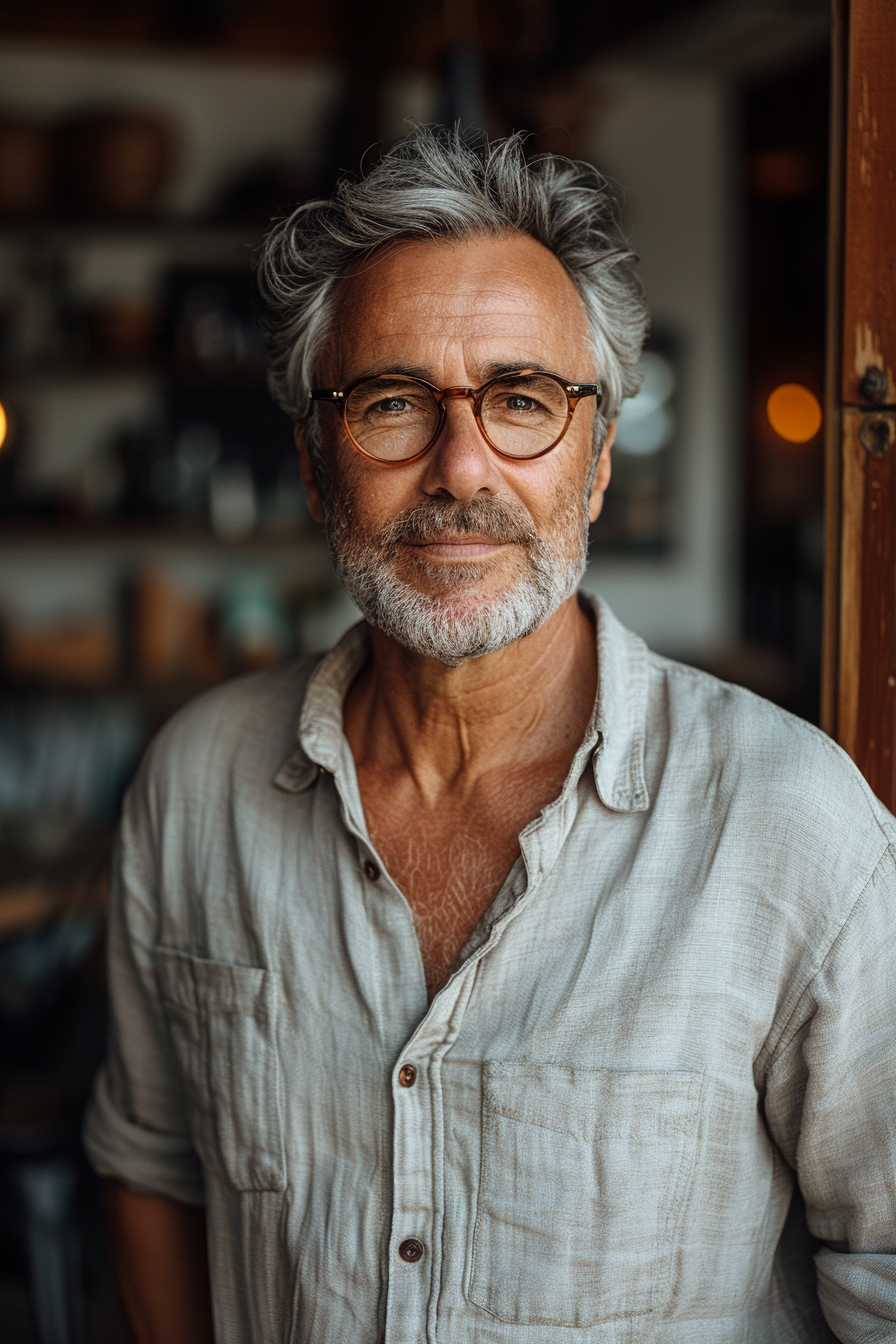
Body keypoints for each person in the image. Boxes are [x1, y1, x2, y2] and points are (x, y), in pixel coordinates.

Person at [84, 126, 896, 1344]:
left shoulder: (794, 827)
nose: (461, 466)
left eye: (522, 399)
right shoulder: (196, 785)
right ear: (315, 465)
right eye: (392, 402)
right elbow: (151, 1164)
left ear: (599, 459)